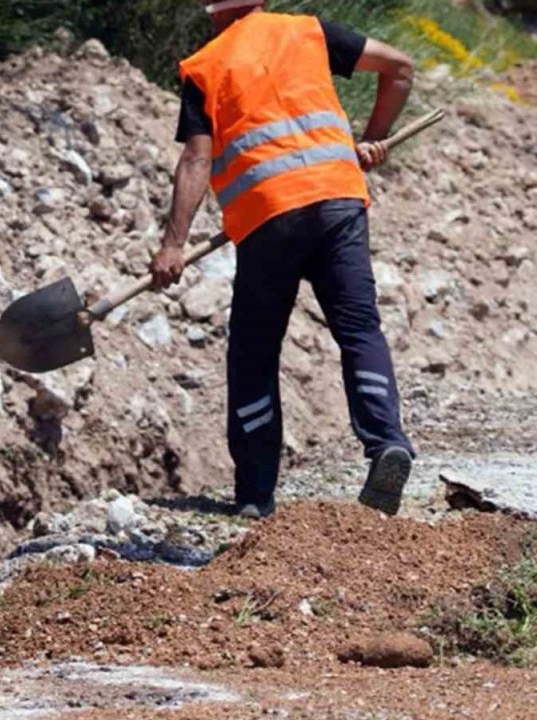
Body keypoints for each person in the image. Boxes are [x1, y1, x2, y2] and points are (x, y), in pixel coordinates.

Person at [148, 0, 418, 519]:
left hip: (269, 217)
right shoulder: (308, 33)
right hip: (339, 199)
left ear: (212, 11)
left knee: (253, 352)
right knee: (359, 329)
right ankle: (387, 442)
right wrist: (372, 138)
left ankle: (254, 495)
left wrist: (174, 243)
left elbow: (197, 158)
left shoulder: (205, 66)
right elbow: (401, 68)